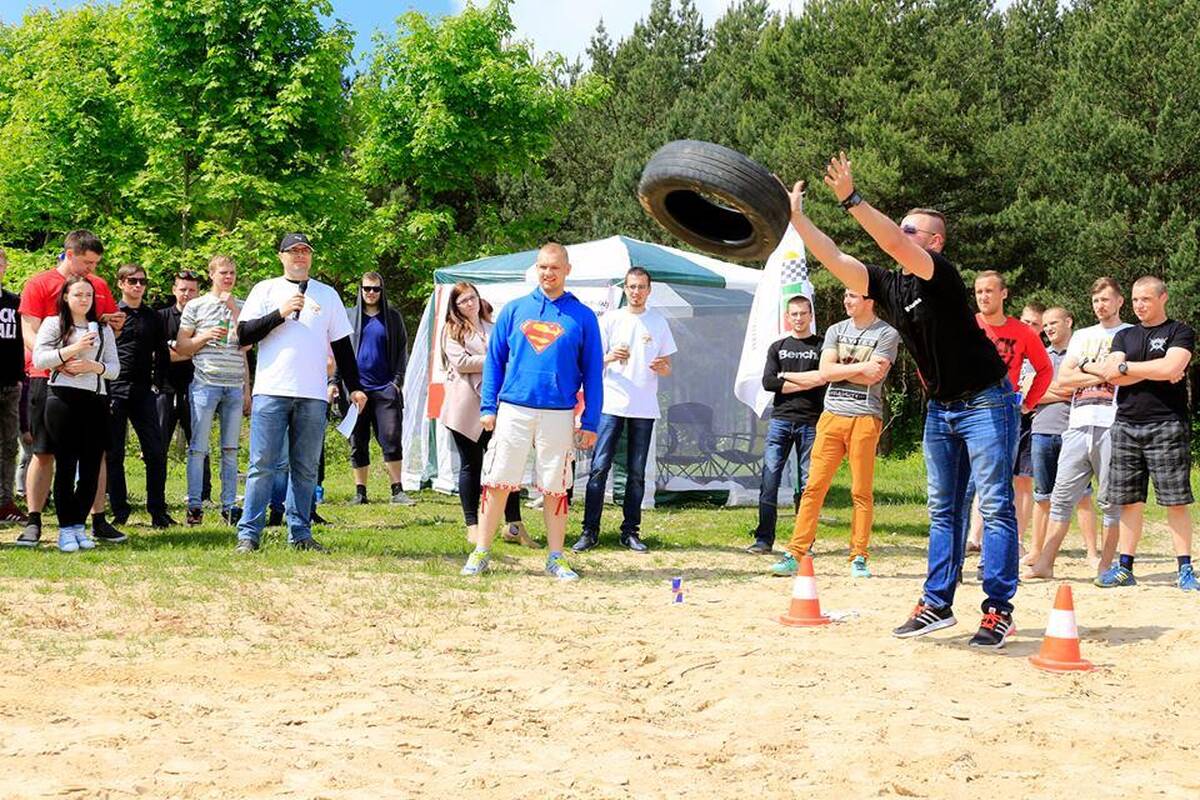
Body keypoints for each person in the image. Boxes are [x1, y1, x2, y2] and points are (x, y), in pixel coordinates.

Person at [786, 154, 1018, 649]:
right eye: (903, 226)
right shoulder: (889, 286)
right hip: (942, 408)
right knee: (944, 510)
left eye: (913, 230)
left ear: (934, 242)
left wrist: (851, 199)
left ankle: (998, 610)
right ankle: (937, 604)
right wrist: (797, 220)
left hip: (986, 402)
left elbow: (890, 240)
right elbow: (836, 260)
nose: (902, 233)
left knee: (996, 505)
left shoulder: (941, 275)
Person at [460, 243, 603, 580]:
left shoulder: (582, 317)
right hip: (514, 409)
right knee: (497, 481)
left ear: (567, 270)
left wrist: (591, 420)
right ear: (536, 269)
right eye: (542, 267)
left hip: (559, 413)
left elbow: (593, 372)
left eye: (554, 267)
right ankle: (481, 552)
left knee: (556, 486)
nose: (548, 273)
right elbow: (494, 361)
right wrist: (488, 406)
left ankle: (556, 557)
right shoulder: (515, 310)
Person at [233, 233, 366, 553]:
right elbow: (243, 335)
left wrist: (355, 386)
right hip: (271, 390)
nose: (300, 256)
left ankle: (300, 533)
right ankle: (249, 534)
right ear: (281, 256)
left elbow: (342, 347)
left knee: (305, 468)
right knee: (262, 465)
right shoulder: (265, 289)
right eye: (293, 251)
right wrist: (280, 313)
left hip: (313, 394)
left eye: (305, 251)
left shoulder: (327, 294)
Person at [769, 288, 899, 577]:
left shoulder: (887, 333)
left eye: (852, 296)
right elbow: (826, 371)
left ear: (869, 300)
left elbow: (875, 375)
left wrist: (839, 370)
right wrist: (860, 367)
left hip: (865, 418)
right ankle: (795, 553)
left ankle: (858, 557)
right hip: (831, 418)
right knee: (813, 488)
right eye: (845, 295)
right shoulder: (836, 330)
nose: (846, 300)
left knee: (860, 491)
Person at [17, 231, 127, 547]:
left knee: (95, 454)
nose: (92, 269)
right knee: (44, 452)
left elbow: (103, 337)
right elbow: (30, 332)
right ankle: (34, 520)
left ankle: (96, 519)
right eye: (87, 262)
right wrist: (60, 361)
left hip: (91, 385)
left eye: (95, 264)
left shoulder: (98, 285)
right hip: (48, 379)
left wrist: (115, 326)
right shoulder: (40, 284)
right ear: (69, 254)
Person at [1092, 277, 1197, 591]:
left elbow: (1170, 368)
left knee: (1175, 501)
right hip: (1125, 424)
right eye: (1135, 299)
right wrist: (1154, 369)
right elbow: (1111, 374)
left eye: (1146, 299)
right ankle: (1125, 568)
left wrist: (1129, 368)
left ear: (1163, 298)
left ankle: (1185, 569)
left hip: (1167, 423)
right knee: (1129, 501)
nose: (1139, 305)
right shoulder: (1124, 335)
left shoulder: (1180, 331)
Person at [1023, 278, 1131, 579]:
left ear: (1119, 301)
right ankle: (1045, 563)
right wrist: (1104, 373)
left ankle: (1105, 566)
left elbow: (1127, 376)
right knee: (1060, 498)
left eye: (1106, 300)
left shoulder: (1131, 334)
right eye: (1096, 301)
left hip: (1113, 423)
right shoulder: (1083, 336)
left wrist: (1087, 369)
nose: (1100, 305)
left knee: (1109, 501)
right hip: (1078, 423)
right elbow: (1065, 380)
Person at [574, 267, 676, 553]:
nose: (636, 292)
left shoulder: (658, 321)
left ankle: (630, 531)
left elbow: (667, 367)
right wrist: (609, 356)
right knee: (599, 468)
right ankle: (589, 531)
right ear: (625, 289)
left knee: (636, 473)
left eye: (641, 287)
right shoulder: (610, 319)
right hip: (611, 404)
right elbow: (590, 362)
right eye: (632, 286)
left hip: (644, 407)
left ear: (649, 290)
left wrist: (662, 367)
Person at [961, 271, 1051, 561]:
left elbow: (1044, 369)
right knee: (962, 489)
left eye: (989, 291)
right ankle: (957, 558)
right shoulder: (965, 324)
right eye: (979, 292)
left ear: (1004, 294)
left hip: (1001, 415)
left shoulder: (1022, 332)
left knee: (997, 490)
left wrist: (1027, 403)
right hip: (964, 411)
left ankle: (992, 560)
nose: (983, 296)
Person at [438, 281, 533, 547]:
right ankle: (473, 525)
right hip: (465, 407)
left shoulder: (493, 326)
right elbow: (461, 363)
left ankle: (514, 525)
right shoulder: (451, 330)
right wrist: (496, 359)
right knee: (471, 465)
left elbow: (511, 353)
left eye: (472, 298)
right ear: (455, 307)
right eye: (463, 301)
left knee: (505, 466)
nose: (470, 304)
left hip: (496, 404)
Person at [31, 276, 119, 551]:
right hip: (62, 399)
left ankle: (80, 525)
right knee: (66, 465)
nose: (84, 300)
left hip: (96, 399)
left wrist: (94, 367)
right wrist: (74, 349)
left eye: (89, 295)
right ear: (66, 297)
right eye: (78, 294)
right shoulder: (53, 323)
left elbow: (114, 369)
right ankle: (65, 528)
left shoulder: (102, 329)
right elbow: (39, 359)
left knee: (91, 466)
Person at [746, 295, 825, 555]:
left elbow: (823, 379)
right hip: (780, 420)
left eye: (803, 313)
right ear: (787, 317)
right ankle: (764, 539)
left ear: (811, 315)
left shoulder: (821, 346)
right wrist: (806, 381)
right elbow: (769, 382)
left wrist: (787, 378)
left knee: (808, 484)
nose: (799, 318)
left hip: (811, 422)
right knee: (770, 480)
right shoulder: (777, 347)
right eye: (794, 314)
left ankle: (804, 542)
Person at [176, 256, 251, 527]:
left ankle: (229, 506)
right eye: (223, 273)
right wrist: (205, 337)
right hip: (205, 383)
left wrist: (247, 389)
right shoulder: (196, 305)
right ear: (211, 275)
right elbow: (182, 346)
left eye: (232, 273)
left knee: (230, 449)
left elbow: (246, 346)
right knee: (198, 448)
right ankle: (195, 506)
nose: (228, 277)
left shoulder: (243, 305)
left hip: (234, 385)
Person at [1026, 307, 1099, 566]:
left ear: (1069, 321)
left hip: (1074, 431)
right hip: (1042, 431)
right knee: (1042, 495)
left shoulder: (1082, 355)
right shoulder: (1039, 356)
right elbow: (1029, 394)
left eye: (1053, 323)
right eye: (1045, 325)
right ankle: (1036, 552)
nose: (1047, 328)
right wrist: (1065, 388)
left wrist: (1050, 389)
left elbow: (1088, 387)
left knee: (1083, 495)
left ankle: (1092, 553)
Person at [106, 264, 174, 528]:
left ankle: (158, 510)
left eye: (142, 282)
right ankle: (120, 510)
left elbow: (163, 353)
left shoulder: (153, 317)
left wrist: (159, 385)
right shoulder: (111, 314)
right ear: (121, 283)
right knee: (114, 453)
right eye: (132, 281)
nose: (138, 286)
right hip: (114, 388)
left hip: (144, 391)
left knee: (155, 451)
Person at [342, 271, 414, 506]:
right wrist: (335, 383)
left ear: (382, 291)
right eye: (366, 288)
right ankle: (360, 492)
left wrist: (396, 383)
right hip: (356, 391)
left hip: (385, 389)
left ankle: (397, 491)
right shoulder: (349, 317)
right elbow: (340, 352)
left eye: (376, 289)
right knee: (358, 441)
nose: (371, 293)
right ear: (360, 290)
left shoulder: (392, 318)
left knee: (391, 438)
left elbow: (402, 350)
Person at [157, 270, 211, 503]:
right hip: (165, 389)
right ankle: (157, 497)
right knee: (158, 445)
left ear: (199, 292)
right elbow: (159, 355)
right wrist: (194, 350)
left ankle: (203, 495)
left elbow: (211, 351)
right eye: (182, 289)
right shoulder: (160, 317)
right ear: (174, 290)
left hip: (197, 387)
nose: (187, 294)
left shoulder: (205, 318)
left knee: (199, 444)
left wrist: (182, 350)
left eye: (192, 290)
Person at [0, 249, 26, 522]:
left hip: (10, 383)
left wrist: (20, 376)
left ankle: (5, 502)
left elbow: (22, 341)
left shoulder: (14, 302)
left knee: (9, 445)